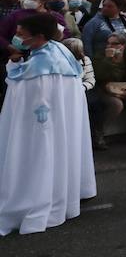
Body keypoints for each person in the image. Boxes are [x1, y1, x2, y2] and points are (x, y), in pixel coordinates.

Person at [0, 13, 97, 234]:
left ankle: (35, 197)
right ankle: (63, 191)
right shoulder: (60, 51)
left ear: (39, 36)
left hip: (40, 124)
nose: (15, 36)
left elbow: (23, 92)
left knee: (41, 157)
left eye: (20, 33)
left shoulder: (41, 66)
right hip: (61, 120)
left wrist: (12, 65)